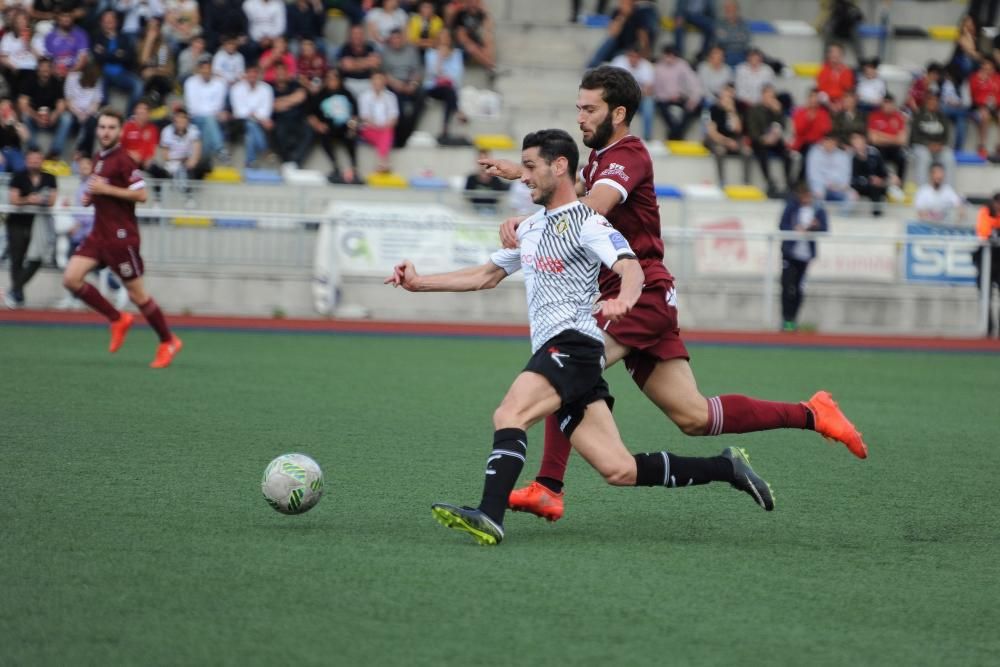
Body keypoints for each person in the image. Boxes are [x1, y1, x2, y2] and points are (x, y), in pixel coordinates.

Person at [480, 67, 867, 522]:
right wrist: (526, 174)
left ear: (618, 113)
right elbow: (574, 191)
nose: (580, 117)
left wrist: (528, 221)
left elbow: (590, 209)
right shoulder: (599, 158)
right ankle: (812, 413)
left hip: (636, 295)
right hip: (635, 300)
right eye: (578, 108)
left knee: (565, 359)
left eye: (590, 109)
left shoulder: (628, 155)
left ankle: (548, 485)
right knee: (695, 417)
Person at [388, 128, 775, 545]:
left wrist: (625, 300)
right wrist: (419, 283)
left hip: (572, 344)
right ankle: (727, 468)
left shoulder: (587, 222)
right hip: (565, 353)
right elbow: (486, 274)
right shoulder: (533, 228)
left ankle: (489, 514)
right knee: (619, 469)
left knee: (510, 414)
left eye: (532, 168)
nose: (524, 177)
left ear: (559, 167)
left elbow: (631, 267)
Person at [61, 107, 182, 368]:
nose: (105, 132)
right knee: (71, 278)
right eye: (102, 127)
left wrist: (106, 189)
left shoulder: (124, 160)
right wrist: (91, 196)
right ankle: (117, 318)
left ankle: (168, 340)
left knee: (138, 296)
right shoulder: (98, 158)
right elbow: (100, 190)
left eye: (111, 128)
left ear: (119, 131)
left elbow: (141, 194)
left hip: (120, 238)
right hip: (99, 234)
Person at [4, 148, 56, 309]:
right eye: (32, 159)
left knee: (37, 258)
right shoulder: (18, 176)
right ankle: (17, 296)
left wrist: (41, 200)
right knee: (17, 258)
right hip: (17, 223)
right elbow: (14, 200)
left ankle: (14, 290)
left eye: (37, 159)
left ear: (42, 160)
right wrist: (29, 199)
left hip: (38, 224)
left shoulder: (49, 177)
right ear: (26, 160)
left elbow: (52, 200)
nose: (34, 162)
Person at [779, 184, 828, 332]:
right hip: (790, 253)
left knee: (799, 289)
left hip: (805, 256)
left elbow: (825, 228)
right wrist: (795, 229)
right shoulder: (791, 207)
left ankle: (793, 320)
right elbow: (782, 225)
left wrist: (815, 227)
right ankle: (786, 320)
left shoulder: (818, 210)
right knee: (787, 286)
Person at [308, 68, 360, 184]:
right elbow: (311, 114)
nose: (332, 81)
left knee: (351, 137)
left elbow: (355, 114)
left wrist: (352, 126)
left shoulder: (347, 93)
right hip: (328, 127)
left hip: (346, 126)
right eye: (329, 78)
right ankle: (336, 168)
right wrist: (318, 125)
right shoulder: (320, 95)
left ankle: (354, 169)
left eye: (334, 78)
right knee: (323, 137)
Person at [18, 57, 73, 159]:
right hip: (35, 119)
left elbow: (61, 104)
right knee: (25, 115)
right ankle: (33, 148)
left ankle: (54, 152)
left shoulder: (56, 81)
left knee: (67, 118)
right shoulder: (29, 80)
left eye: (48, 67)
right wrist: (36, 117)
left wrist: (54, 115)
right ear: (38, 69)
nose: (45, 70)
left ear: (51, 69)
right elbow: (22, 103)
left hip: (51, 119)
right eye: (42, 67)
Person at [747, 84, 792, 197]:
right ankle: (769, 182)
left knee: (787, 153)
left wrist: (778, 113)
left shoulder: (776, 110)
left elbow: (782, 127)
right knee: (762, 153)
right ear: (762, 95)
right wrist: (763, 139)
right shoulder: (754, 110)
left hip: (774, 140)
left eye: (772, 96)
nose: (770, 98)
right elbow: (752, 130)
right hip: (760, 141)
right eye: (768, 95)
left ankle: (788, 183)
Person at [183, 57, 230, 162]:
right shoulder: (190, 82)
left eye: (208, 68)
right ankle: (219, 149)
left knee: (208, 126)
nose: (206, 71)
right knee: (209, 121)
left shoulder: (220, 83)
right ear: (199, 70)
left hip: (214, 118)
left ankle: (203, 160)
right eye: (203, 68)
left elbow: (219, 106)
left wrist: (212, 114)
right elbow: (192, 107)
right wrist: (210, 113)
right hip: (195, 118)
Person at [422, 30, 465, 143]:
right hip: (434, 88)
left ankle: (445, 128)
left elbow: (457, 76)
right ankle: (457, 111)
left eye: (446, 37)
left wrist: (448, 59)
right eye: (442, 37)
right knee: (449, 91)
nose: (444, 40)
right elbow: (432, 74)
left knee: (449, 91)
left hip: (449, 88)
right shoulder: (430, 53)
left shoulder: (457, 54)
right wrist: (440, 59)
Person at [652, 44, 702, 141]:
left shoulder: (682, 65)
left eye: (672, 55)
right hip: (664, 99)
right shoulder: (658, 68)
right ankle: (677, 134)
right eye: (668, 55)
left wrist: (693, 99)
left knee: (692, 108)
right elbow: (657, 91)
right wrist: (668, 97)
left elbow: (693, 83)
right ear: (664, 56)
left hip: (681, 97)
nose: (670, 58)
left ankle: (674, 134)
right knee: (662, 108)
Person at [704, 83, 750, 186]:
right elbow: (712, 133)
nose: (729, 96)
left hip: (732, 139)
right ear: (721, 94)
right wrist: (726, 141)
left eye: (731, 94)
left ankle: (746, 182)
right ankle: (722, 181)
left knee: (747, 151)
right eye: (727, 93)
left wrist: (732, 111)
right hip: (716, 139)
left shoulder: (735, 109)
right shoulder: (712, 109)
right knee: (720, 151)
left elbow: (738, 130)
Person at [588, 0, 658, 67]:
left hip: (631, 48)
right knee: (610, 42)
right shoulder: (617, 12)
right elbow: (613, 33)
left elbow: (642, 37)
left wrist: (645, 53)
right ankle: (592, 66)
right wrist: (623, 16)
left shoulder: (640, 13)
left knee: (619, 56)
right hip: (617, 45)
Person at [229, 65, 274, 167]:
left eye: (255, 72)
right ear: (245, 74)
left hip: (260, 122)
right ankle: (265, 149)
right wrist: (255, 115)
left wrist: (253, 115)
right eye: (250, 72)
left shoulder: (266, 89)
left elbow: (266, 111)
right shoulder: (236, 88)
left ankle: (250, 161)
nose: (252, 75)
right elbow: (238, 111)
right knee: (250, 124)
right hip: (240, 122)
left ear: (259, 74)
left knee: (250, 130)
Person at [609, 47, 654, 141]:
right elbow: (611, 83)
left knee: (649, 103)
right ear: (627, 56)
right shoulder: (619, 62)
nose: (633, 59)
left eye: (636, 57)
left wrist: (632, 91)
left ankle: (647, 137)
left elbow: (648, 90)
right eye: (631, 56)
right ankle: (612, 134)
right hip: (621, 97)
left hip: (639, 99)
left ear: (640, 58)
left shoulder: (646, 66)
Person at [910, 94, 955, 187]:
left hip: (938, 147)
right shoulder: (918, 115)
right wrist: (928, 144)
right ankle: (922, 191)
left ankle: (948, 190)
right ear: (926, 102)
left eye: (935, 101)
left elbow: (946, 137)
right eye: (930, 100)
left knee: (949, 157)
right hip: (921, 146)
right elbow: (914, 137)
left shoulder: (942, 116)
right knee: (924, 157)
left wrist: (940, 145)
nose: (933, 103)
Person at [270, 62, 310, 166]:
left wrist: (282, 101)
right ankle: (286, 162)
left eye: (283, 71)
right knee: (280, 132)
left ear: (287, 73)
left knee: (309, 131)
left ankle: (297, 162)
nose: (281, 74)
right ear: (275, 74)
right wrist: (292, 100)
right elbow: (274, 106)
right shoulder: (270, 88)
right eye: (278, 72)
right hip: (280, 120)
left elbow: (301, 97)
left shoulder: (295, 84)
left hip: (297, 120)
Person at [358, 70, 398, 173]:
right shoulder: (364, 96)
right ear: (371, 81)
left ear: (384, 81)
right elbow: (364, 116)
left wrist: (385, 125)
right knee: (385, 134)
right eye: (375, 79)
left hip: (385, 128)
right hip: (369, 128)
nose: (378, 82)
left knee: (387, 132)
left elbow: (394, 116)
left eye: (380, 79)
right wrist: (377, 126)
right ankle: (384, 162)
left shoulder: (390, 96)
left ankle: (381, 163)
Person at [791, 88, 833, 182]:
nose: (814, 100)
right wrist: (808, 119)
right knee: (809, 152)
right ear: (808, 98)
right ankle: (801, 181)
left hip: (818, 145)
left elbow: (826, 130)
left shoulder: (823, 113)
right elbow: (799, 131)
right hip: (803, 144)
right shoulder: (801, 112)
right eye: (812, 97)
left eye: (816, 97)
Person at [973, 192, 1000, 335]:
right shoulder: (985, 212)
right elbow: (984, 234)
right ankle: (988, 328)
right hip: (985, 261)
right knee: (985, 295)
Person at [866, 94, 908, 182]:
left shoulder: (898, 117)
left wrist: (880, 135)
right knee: (877, 154)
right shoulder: (874, 116)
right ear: (882, 104)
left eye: (890, 103)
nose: (888, 106)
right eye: (886, 103)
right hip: (879, 148)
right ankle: (882, 184)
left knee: (903, 157)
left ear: (893, 105)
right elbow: (873, 139)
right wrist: (894, 138)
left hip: (894, 148)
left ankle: (899, 184)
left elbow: (902, 140)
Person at [848, 131, 889, 214]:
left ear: (864, 141)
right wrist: (869, 180)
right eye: (854, 140)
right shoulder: (850, 156)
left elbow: (883, 172)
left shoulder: (874, 153)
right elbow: (852, 177)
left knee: (877, 188)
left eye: (859, 140)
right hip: (858, 184)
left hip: (874, 185)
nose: (857, 143)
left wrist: (880, 179)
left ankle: (877, 215)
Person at [968, 58, 1000, 160]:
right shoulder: (975, 78)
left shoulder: (997, 78)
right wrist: (981, 81)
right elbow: (973, 96)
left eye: (989, 67)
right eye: (984, 67)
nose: (987, 69)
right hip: (978, 107)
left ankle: (998, 146)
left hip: (995, 107)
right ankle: (982, 145)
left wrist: (996, 101)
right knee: (984, 116)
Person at [807, 133, 853, 202]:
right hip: (820, 185)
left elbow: (846, 175)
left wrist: (838, 186)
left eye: (832, 142)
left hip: (838, 186)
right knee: (818, 193)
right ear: (823, 141)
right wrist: (827, 184)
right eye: (827, 141)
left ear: (836, 143)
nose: (829, 144)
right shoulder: (814, 153)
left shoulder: (843, 155)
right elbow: (813, 175)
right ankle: (820, 213)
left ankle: (842, 213)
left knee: (852, 196)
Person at [464, 149, 508, 213]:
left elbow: (500, 198)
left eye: (485, 159)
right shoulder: (471, 179)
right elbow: (467, 197)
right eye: (481, 159)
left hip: (493, 214)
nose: (483, 163)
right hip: (474, 213)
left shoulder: (496, 180)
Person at [713, 0, 750, 68]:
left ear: (737, 10)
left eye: (732, 8)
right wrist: (736, 37)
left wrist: (728, 37)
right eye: (727, 8)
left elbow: (746, 39)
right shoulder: (720, 24)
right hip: (725, 53)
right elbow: (719, 40)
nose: (729, 10)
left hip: (741, 52)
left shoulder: (743, 24)